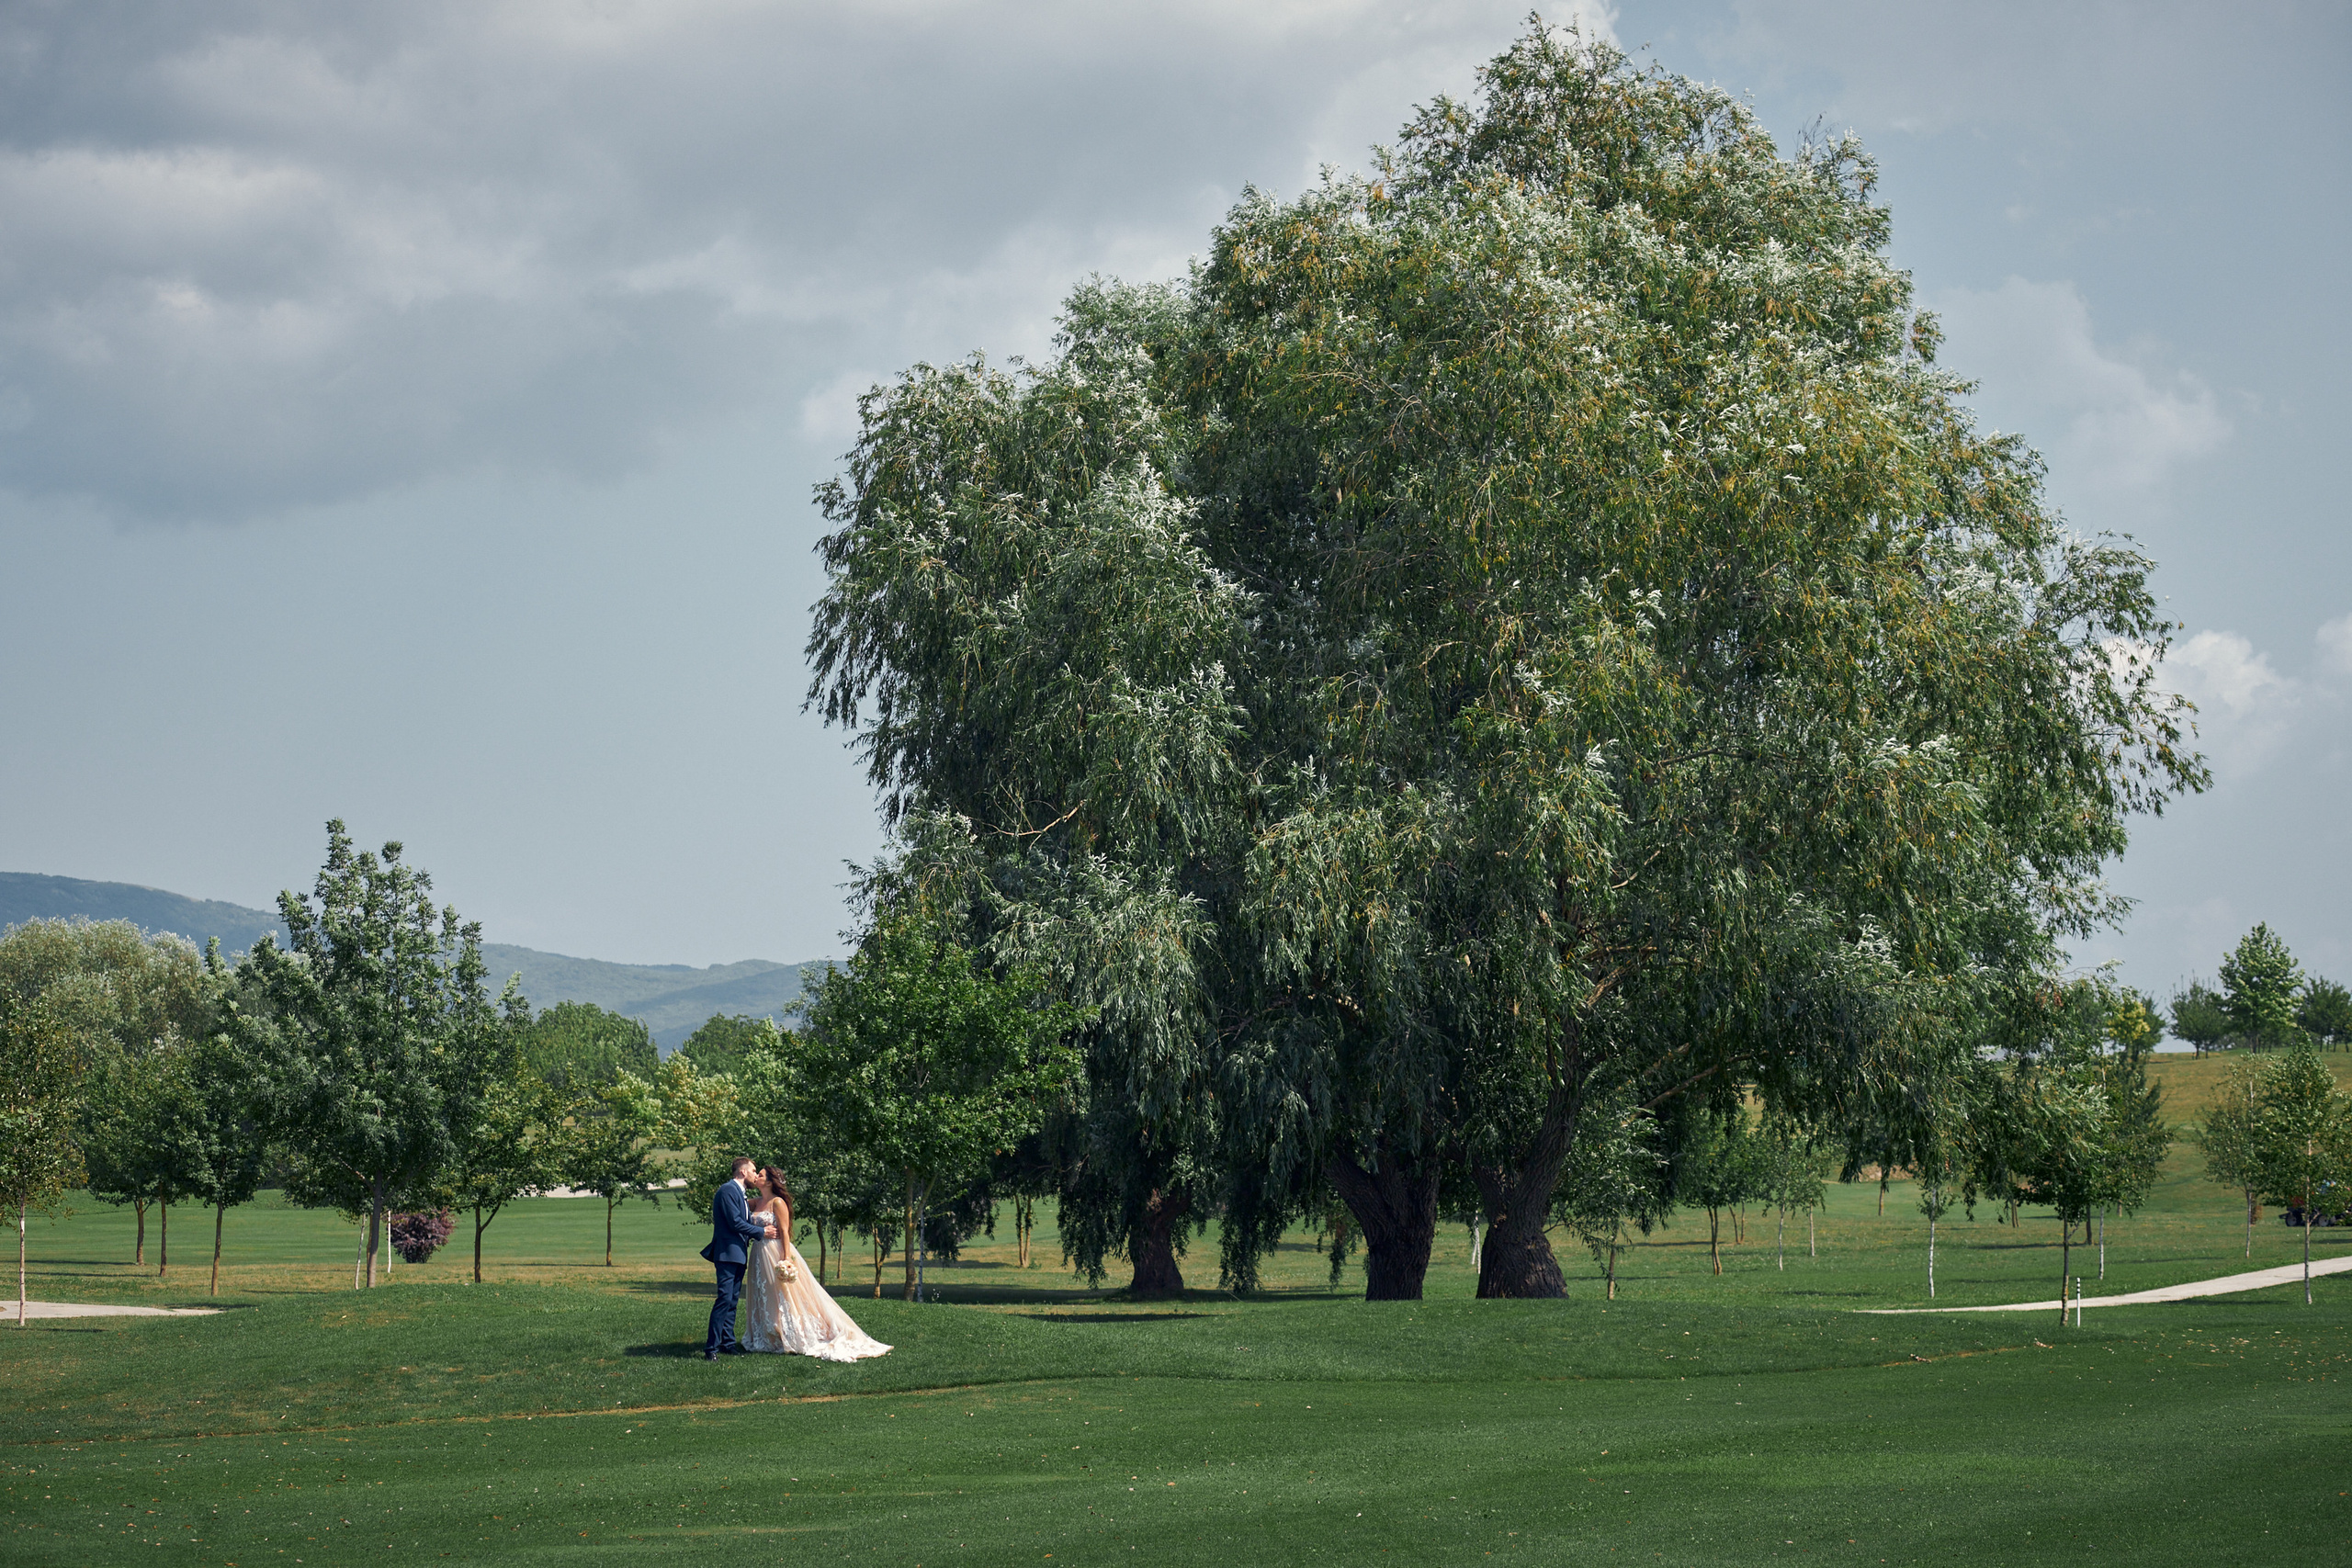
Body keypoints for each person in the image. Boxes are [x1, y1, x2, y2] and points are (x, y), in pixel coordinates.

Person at [741, 1165, 891, 1360]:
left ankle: (791, 1333)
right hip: (758, 1253)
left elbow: (785, 1231)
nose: (756, 1177)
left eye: (759, 1175)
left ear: (769, 1181)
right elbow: (738, 1206)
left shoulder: (777, 1203)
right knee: (764, 1293)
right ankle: (768, 1335)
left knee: (783, 1294)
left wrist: (786, 1258)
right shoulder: (756, 1202)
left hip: (775, 1251)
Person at [701, 1156, 776, 1359]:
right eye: (753, 1171)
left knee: (732, 1301)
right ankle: (711, 1348)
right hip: (727, 1254)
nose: (755, 1175)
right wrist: (761, 1232)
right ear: (743, 1172)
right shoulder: (728, 1190)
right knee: (724, 1299)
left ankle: (727, 1343)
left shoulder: (740, 1194)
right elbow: (735, 1222)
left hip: (738, 1254)